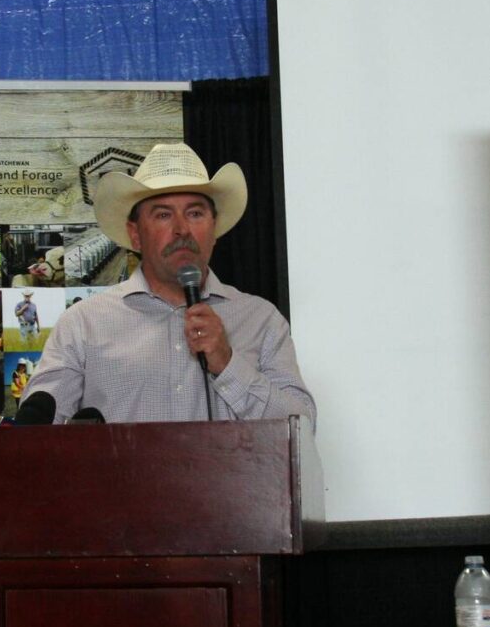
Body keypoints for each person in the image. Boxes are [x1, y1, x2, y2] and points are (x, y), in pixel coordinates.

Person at [22, 142, 315, 425]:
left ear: (214, 229)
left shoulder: (261, 320)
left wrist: (227, 364)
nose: (181, 230)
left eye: (195, 213)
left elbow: (301, 427)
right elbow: (37, 426)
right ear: (135, 235)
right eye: (163, 215)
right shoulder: (83, 324)